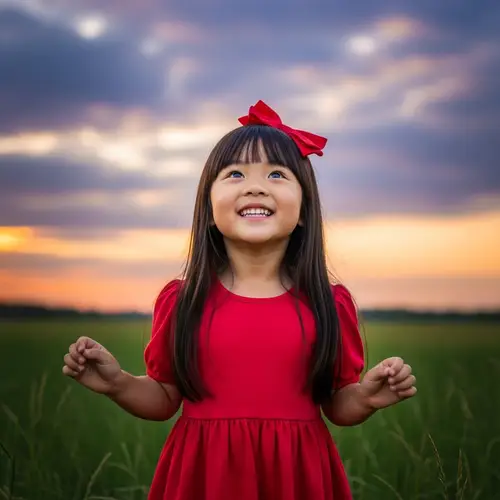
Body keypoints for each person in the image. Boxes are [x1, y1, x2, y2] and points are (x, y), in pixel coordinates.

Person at [62, 100, 417, 500]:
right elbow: (164, 398)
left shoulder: (328, 304)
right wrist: (118, 383)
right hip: (205, 474)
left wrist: (366, 397)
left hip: (295, 474)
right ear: (209, 209)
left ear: (303, 211)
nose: (255, 185)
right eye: (234, 174)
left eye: (277, 174)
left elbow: (337, 405)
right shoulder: (183, 301)